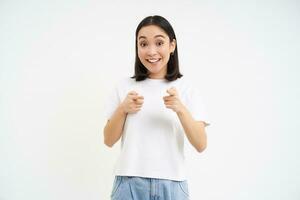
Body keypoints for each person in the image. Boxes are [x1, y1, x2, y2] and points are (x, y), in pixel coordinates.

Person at [103, 15, 210, 200]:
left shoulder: (186, 89)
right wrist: (123, 109)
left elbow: (201, 144)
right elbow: (108, 140)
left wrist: (180, 109)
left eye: (159, 43)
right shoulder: (124, 87)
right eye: (143, 44)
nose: (151, 51)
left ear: (172, 46)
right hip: (129, 184)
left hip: (173, 185)